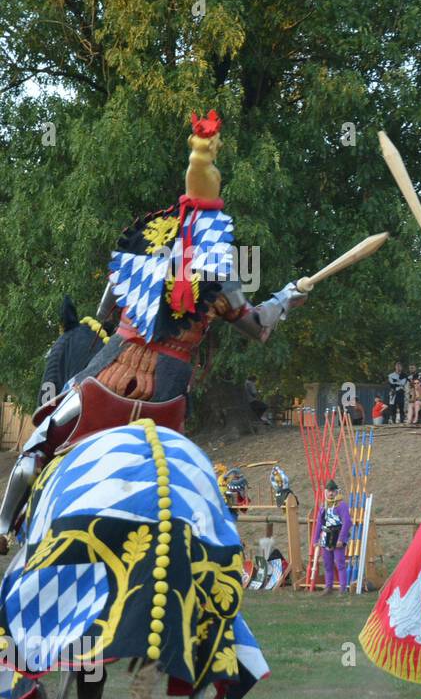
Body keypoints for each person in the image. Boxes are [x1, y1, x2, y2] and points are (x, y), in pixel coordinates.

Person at [0, 111, 311, 555]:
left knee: (40, 442)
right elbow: (258, 328)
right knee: (183, 469)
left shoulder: (138, 250)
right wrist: (286, 297)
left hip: (105, 378)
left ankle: (4, 525)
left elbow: (104, 315)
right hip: (165, 397)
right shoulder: (220, 276)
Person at [317, 479, 353, 595]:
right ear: (325, 492)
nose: (331, 493)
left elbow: (347, 522)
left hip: (337, 535)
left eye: (333, 491)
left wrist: (341, 539)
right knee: (327, 564)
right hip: (326, 536)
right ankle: (328, 587)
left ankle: (342, 588)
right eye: (329, 491)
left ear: (336, 492)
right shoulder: (324, 506)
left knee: (340, 563)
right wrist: (316, 539)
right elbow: (320, 522)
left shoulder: (341, 505)